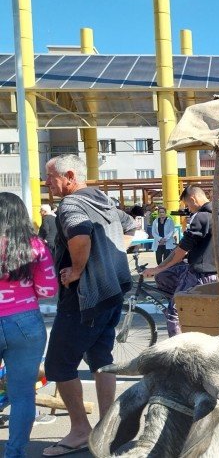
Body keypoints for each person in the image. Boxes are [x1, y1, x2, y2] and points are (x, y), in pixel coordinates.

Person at [43, 154, 137, 457]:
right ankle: (109, 427)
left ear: (70, 176)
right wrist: (109, 259)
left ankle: (81, 430)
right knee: (101, 358)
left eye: (50, 178)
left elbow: (80, 235)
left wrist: (80, 269)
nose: (47, 184)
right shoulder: (103, 200)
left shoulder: (71, 205)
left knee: (59, 363)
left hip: (84, 298)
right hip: (111, 293)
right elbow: (131, 225)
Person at [0, 193, 57, 458]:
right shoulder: (35, 246)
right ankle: (15, 453)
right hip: (25, 322)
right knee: (23, 395)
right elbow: (48, 289)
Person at [143, 185, 219, 337]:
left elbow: (181, 250)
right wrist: (161, 270)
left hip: (200, 273)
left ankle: (178, 350)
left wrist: (157, 268)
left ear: (193, 199)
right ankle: (185, 309)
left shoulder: (201, 217)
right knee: (164, 276)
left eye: (188, 205)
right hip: (217, 273)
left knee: (174, 314)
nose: (189, 209)